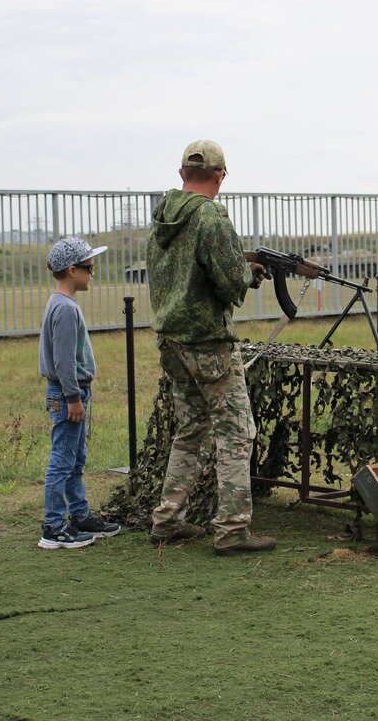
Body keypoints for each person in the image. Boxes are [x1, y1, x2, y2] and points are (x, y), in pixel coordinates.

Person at [146, 139, 275, 556]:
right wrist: (248, 274)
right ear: (219, 175)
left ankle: (166, 520)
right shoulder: (211, 217)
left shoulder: (162, 217)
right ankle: (232, 529)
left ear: (182, 173)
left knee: (191, 429)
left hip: (172, 340)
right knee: (237, 431)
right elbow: (227, 280)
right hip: (207, 341)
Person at [36, 236, 122, 549]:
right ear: (72, 271)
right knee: (62, 459)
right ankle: (54, 526)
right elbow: (62, 361)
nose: (92, 273)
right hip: (68, 394)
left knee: (75, 457)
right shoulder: (65, 310)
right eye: (89, 268)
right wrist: (73, 398)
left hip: (73, 393)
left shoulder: (61, 304)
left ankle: (80, 515)